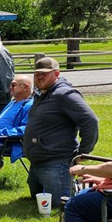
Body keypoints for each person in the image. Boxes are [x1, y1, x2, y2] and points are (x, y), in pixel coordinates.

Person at [23, 57, 99, 200]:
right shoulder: (42, 94)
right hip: (37, 164)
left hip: (56, 164)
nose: (39, 77)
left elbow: (90, 121)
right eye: (37, 74)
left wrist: (83, 152)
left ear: (56, 74)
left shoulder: (65, 95)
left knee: (60, 205)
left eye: (44, 74)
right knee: (35, 202)